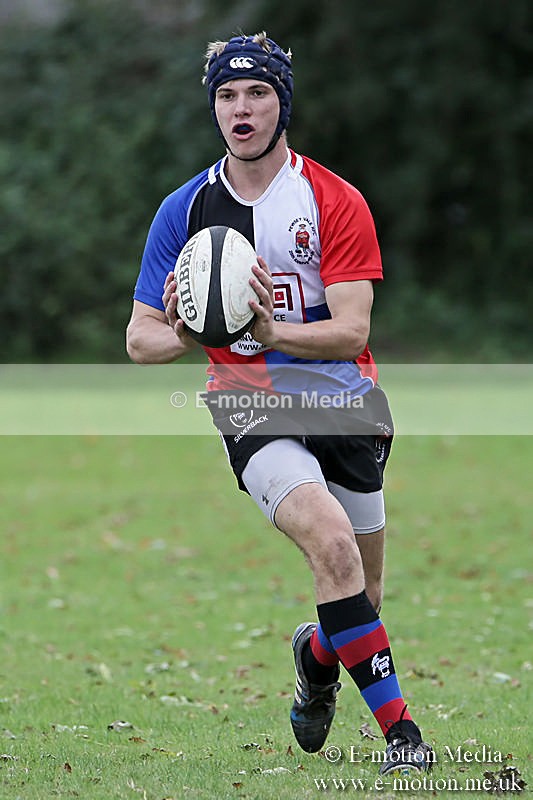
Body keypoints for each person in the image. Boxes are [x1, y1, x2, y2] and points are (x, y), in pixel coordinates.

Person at [126, 31, 434, 775]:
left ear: (280, 103)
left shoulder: (332, 198)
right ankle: (404, 738)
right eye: (227, 95)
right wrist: (187, 326)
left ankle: (316, 654)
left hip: (346, 405)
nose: (241, 107)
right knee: (330, 548)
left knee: (360, 594)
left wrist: (268, 329)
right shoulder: (186, 209)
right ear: (214, 108)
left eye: (257, 92)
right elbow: (140, 340)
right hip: (250, 407)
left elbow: (352, 328)